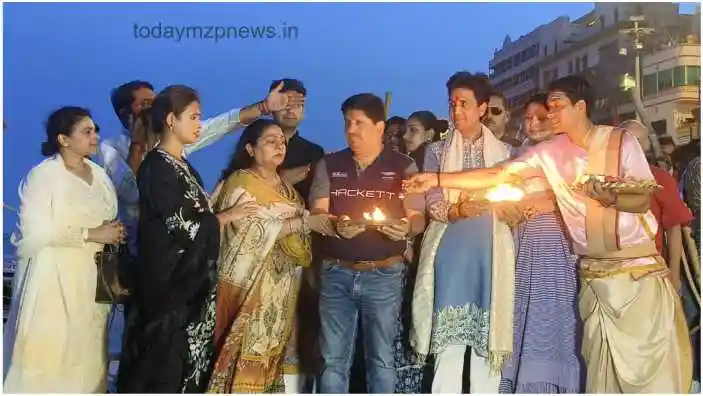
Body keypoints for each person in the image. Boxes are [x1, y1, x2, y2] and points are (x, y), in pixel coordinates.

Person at [404, 75, 693, 393]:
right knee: (601, 375)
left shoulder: (620, 141)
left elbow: (641, 198)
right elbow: (497, 174)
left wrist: (610, 195)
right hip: (595, 278)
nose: (549, 114)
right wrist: (436, 179)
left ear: (580, 107)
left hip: (636, 276)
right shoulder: (550, 152)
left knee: (649, 377)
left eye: (557, 107)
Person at [116, 86, 245, 393]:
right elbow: (183, 224)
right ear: (171, 120)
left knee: (189, 370)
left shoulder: (185, 167)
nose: (199, 124)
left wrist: (213, 210)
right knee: (164, 370)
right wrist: (224, 216)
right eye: (194, 117)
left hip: (192, 291)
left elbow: (196, 215)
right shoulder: (156, 166)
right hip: (169, 290)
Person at [97, 79, 304, 256]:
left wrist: (263, 107)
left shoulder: (177, 151)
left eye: (155, 102)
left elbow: (222, 124)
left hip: (182, 258)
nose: (153, 109)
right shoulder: (118, 150)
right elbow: (133, 194)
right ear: (125, 114)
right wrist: (137, 144)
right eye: (145, 104)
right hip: (144, 254)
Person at [309, 93, 425, 393]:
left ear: (379, 127)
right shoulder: (329, 164)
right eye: (347, 123)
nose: (351, 130)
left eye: (359, 123)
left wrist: (406, 228)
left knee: (381, 359)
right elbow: (318, 211)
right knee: (332, 360)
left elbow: (418, 217)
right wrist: (336, 225)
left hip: (384, 275)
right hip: (336, 273)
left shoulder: (404, 166)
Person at [206, 119, 333, 393]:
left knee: (272, 356)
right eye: (270, 141)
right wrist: (301, 224)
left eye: (282, 142)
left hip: (282, 288)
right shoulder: (241, 182)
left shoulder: (288, 191)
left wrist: (307, 226)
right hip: (250, 289)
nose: (279, 146)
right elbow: (246, 233)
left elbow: (301, 239)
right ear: (250, 149)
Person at [4, 107, 124, 392]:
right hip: (53, 278)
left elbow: (108, 215)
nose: (95, 136)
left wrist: (113, 231)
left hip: (93, 278)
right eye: (86, 131)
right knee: (51, 354)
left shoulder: (100, 175)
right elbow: (31, 233)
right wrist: (89, 233)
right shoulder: (43, 176)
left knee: (90, 353)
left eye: (95, 130)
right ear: (63, 139)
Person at [410, 72, 515, 394]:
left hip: (491, 251)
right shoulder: (437, 152)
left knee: (487, 346)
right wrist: (456, 211)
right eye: (453, 103)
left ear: (483, 107)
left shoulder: (507, 154)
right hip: (451, 251)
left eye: (465, 104)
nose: (457, 111)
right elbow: (433, 202)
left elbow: (514, 197)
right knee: (448, 345)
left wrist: (514, 210)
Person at [497, 93, 584, 393]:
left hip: (558, 246)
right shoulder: (517, 155)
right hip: (522, 244)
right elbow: (500, 192)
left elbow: (585, 196)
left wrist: (552, 203)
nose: (533, 123)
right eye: (529, 117)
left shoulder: (571, 153)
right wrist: (506, 209)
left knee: (554, 316)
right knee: (521, 313)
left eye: (541, 117)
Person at [620, 119, 692, 292]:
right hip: (616, 272)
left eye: (639, 141)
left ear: (646, 146)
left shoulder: (660, 178)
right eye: (629, 140)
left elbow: (674, 229)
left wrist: (674, 274)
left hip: (652, 270)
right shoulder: (604, 179)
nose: (634, 146)